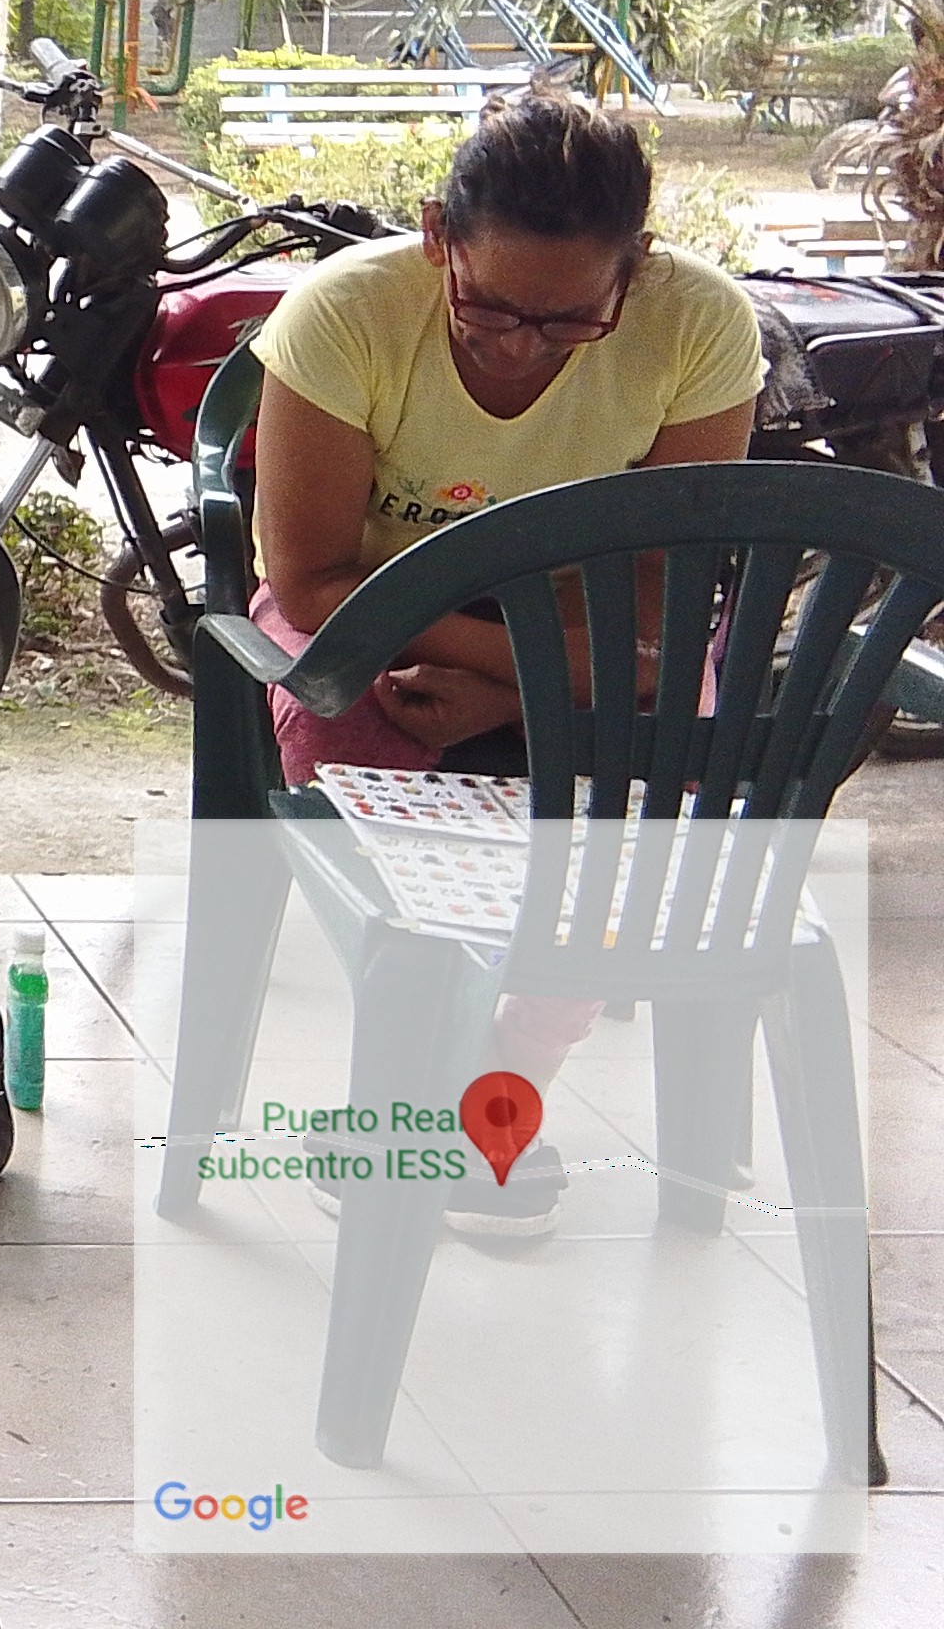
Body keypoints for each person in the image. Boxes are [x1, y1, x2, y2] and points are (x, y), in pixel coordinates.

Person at [249, 89, 764, 1228]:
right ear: (439, 235)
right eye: (487, 307)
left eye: (572, 322)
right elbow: (315, 580)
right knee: (355, 743)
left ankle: (493, 1091)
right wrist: (535, 674)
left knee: (636, 804)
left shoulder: (700, 326)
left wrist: (511, 688)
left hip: (591, 632)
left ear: (635, 265)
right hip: (376, 611)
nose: (522, 343)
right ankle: (422, 1078)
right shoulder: (346, 314)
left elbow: (656, 616)